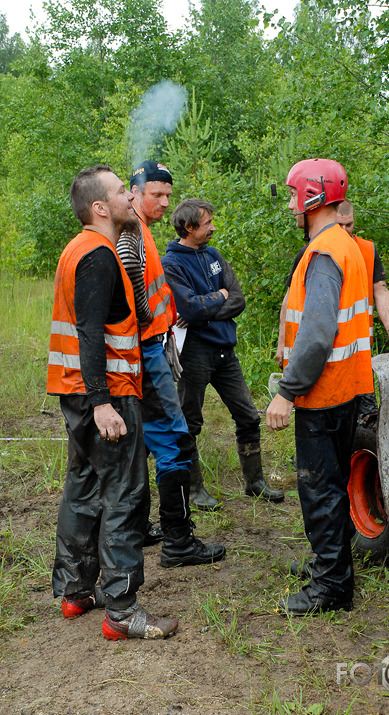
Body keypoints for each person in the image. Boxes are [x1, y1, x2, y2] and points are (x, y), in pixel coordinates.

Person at [47, 165, 178, 640]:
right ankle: (122, 610)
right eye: (122, 190)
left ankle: (76, 590)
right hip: (107, 397)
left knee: (82, 487)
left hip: (76, 393)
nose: (131, 195)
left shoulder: (79, 249)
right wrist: (103, 402)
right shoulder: (99, 256)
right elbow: (89, 332)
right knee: (124, 493)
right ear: (100, 207)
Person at [266, 158, 373, 616]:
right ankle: (330, 564)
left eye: (294, 195)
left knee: (320, 488)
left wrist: (287, 392)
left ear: (312, 197)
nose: (291, 205)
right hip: (346, 387)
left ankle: (332, 586)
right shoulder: (344, 244)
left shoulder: (325, 253)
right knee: (331, 483)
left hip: (324, 392)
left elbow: (315, 335)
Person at [117, 161, 225, 567]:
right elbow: (130, 280)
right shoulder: (131, 229)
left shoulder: (139, 229)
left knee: (144, 442)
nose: (164, 202)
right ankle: (179, 544)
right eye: (156, 194)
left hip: (151, 348)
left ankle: (142, 528)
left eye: (167, 194)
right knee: (173, 440)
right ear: (134, 191)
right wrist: (148, 319)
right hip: (147, 351)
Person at [162, 198, 284, 510]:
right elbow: (187, 307)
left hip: (224, 351)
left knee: (247, 415)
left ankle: (254, 482)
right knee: (190, 422)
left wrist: (207, 307)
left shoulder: (213, 255)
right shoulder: (172, 263)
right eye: (207, 223)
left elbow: (239, 299)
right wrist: (218, 298)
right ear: (189, 228)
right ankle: (193, 489)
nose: (213, 227)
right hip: (194, 353)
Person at [276, 198, 389, 369]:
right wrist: (282, 343)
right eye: (339, 225)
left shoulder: (367, 251)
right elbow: (289, 301)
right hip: (318, 350)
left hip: (357, 350)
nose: (344, 230)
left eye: (349, 225)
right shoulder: (311, 252)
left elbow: (380, 290)